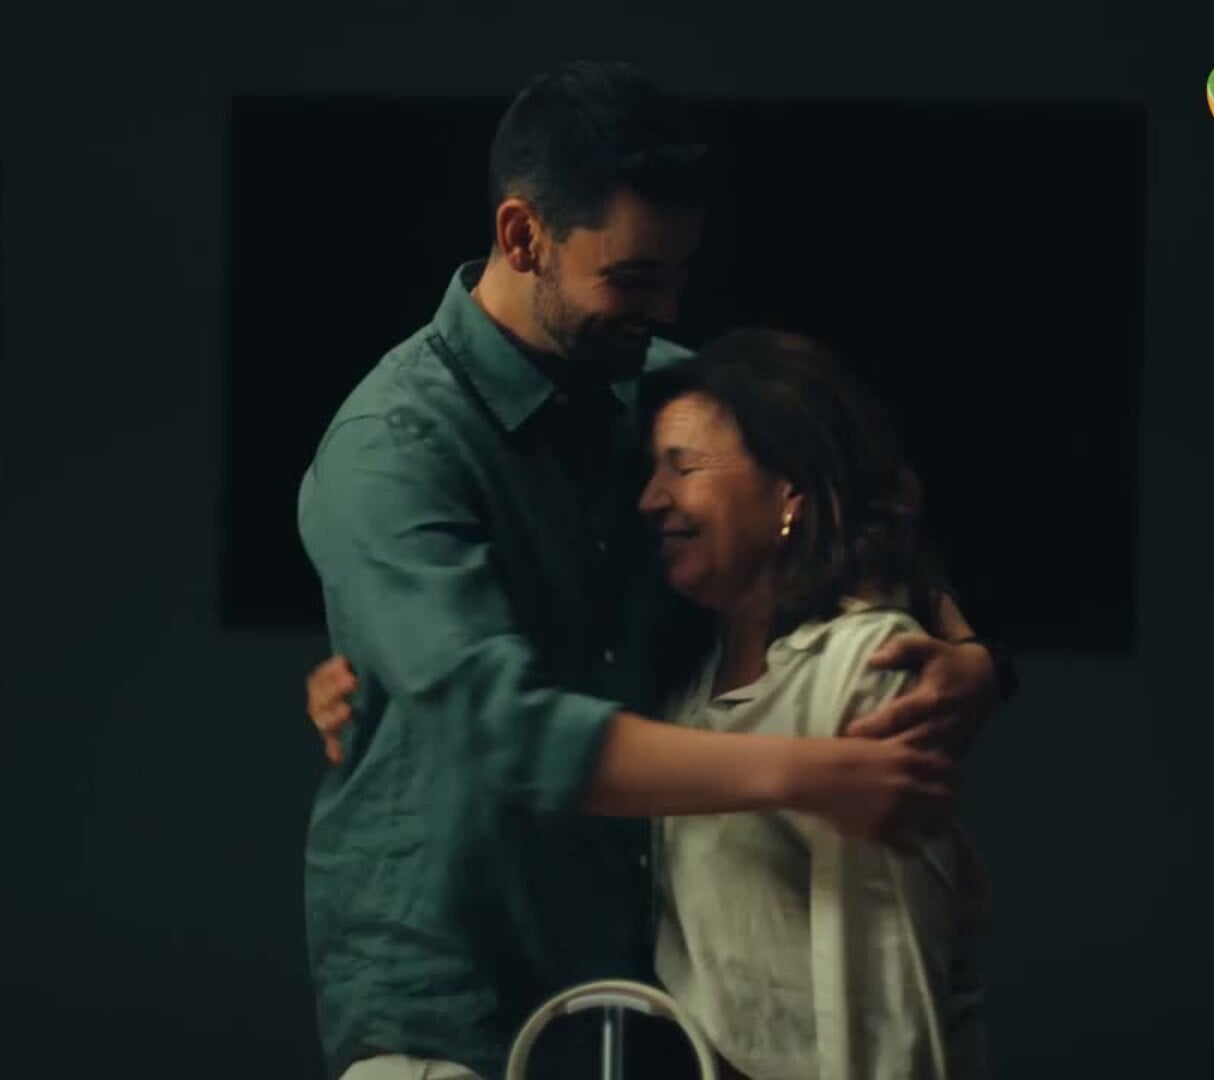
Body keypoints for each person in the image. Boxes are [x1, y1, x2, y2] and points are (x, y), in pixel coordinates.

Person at [297, 61, 1013, 1080]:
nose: (666, 306)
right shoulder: (392, 447)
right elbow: (506, 728)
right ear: (522, 237)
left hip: (633, 998)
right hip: (445, 991)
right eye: (634, 279)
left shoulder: (666, 389)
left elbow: (843, 494)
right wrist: (814, 773)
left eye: (679, 274)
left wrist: (973, 656)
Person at [635, 328, 990, 1079]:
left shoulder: (865, 668)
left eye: (683, 467)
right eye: (651, 470)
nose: (651, 498)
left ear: (789, 490)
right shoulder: (687, 685)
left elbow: (891, 990)